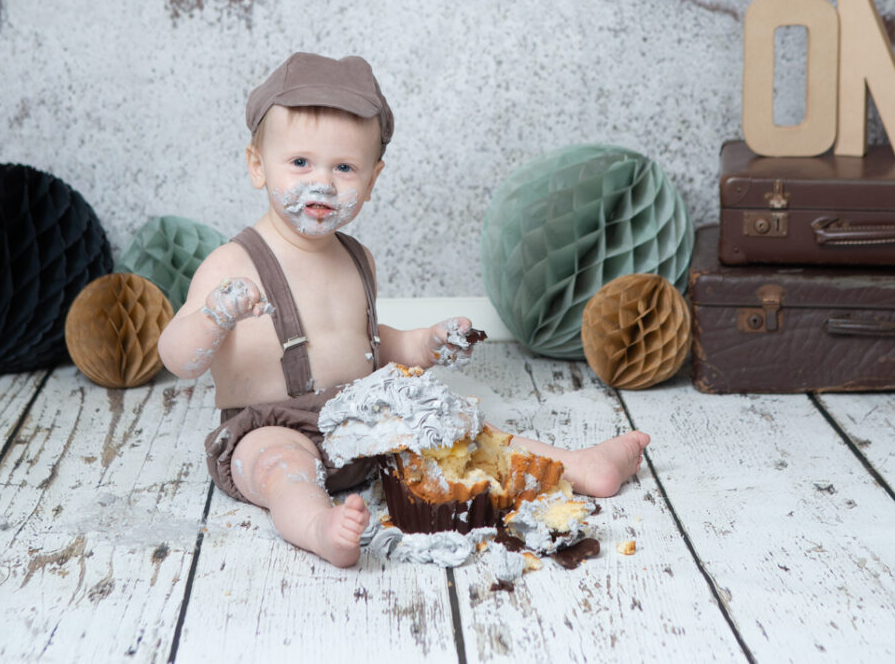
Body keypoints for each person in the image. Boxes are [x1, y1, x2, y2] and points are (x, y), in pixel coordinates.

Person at [158, 53, 650, 567]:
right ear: (258, 165)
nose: (322, 182)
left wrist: (424, 343)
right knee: (279, 468)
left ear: (372, 180)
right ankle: (318, 526)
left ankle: (578, 466)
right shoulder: (233, 263)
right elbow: (178, 358)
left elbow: (370, 343)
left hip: (365, 421)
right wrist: (215, 316)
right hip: (269, 426)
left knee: (467, 439)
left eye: (344, 167)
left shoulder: (356, 258)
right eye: (300, 163)